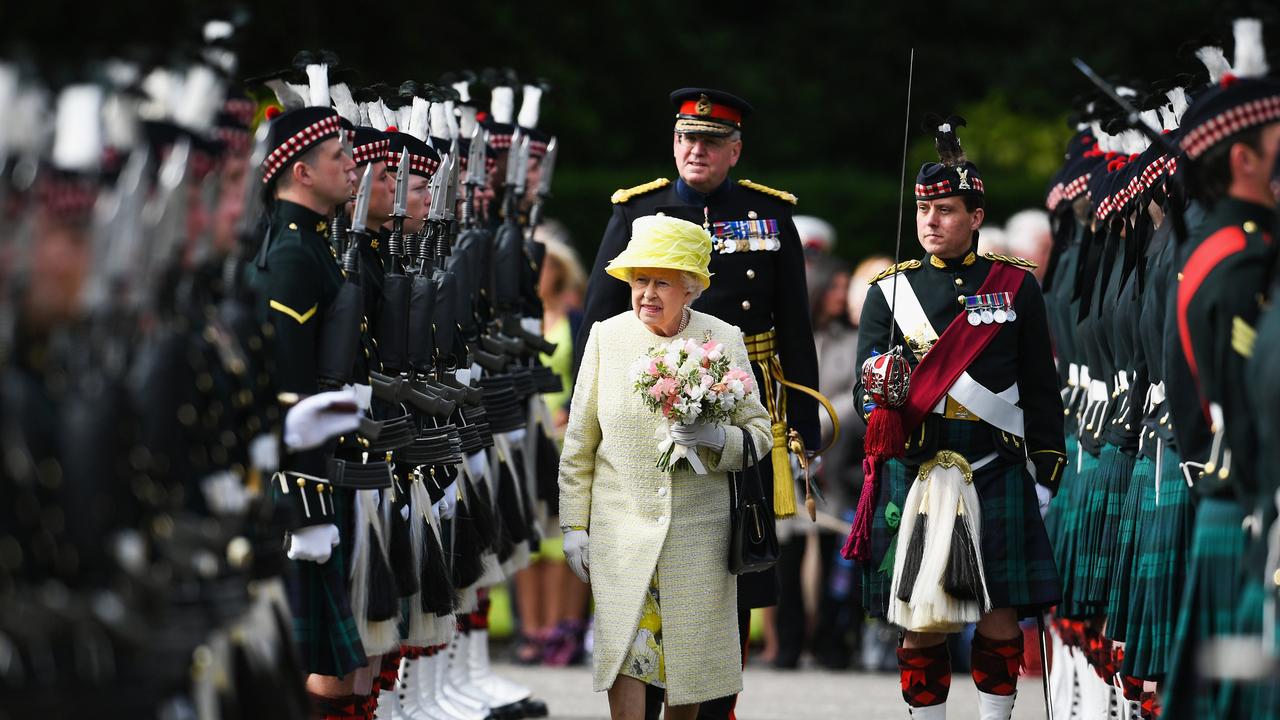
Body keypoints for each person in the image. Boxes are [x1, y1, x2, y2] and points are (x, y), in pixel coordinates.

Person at [575, 88, 820, 720]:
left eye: (711, 142)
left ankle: (716, 706)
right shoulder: (638, 210)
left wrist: (803, 433)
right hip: (642, 413)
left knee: (731, 571)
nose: (696, 151)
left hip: (742, 402)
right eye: (687, 138)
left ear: (734, 150)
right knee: (644, 592)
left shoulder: (769, 215)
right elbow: (599, 321)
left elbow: (794, 326)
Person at [851, 116, 1065, 720]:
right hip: (918, 468)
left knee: (999, 617)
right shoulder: (888, 291)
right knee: (921, 622)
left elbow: (1040, 388)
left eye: (945, 209)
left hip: (994, 465)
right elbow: (868, 394)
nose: (931, 222)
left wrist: (1047, 470)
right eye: (924, 210)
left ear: (974, 216)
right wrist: (882, 394)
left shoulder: (1015, 287)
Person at [559, 215, 772, 720]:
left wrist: (717, 439)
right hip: (620, 535)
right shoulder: (605, 338)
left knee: (688, 676)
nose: (647, 293)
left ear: (691, 288)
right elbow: (579, 444)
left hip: (698, 538)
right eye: (639, 280)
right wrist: (574, 525)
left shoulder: (723, 339)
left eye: (662, 281)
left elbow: (760, 433)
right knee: (627, 664)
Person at [1163, 37, 1280, 717]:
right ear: (1243, 159)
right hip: (1249, 514)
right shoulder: (1242, 263)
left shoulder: (1227, 249)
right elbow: (1253, 403)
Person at [512, 222, 592, 667]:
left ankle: (565, 628)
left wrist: (568, 411)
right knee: (529, 540)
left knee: (568, 536)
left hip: (563, 435)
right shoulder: (517, 318)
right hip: (524, 436)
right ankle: (533, 629)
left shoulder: (575, 320)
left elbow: (584, 371)